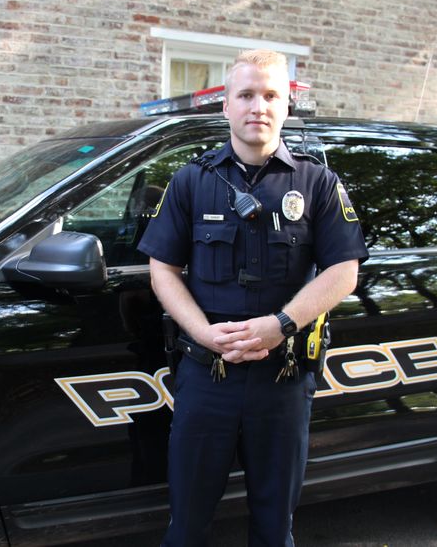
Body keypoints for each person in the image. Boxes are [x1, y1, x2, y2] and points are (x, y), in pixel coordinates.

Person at [137, 49, 369, 546]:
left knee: (273, 525)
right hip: (206, 377)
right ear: (226, 106)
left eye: (270, 95)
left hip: (281, 381)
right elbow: (162, 270)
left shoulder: (317, 182)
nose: (257, 106)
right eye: (245, 95)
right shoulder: (191, 181)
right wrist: (201, 332)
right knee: (187, 525)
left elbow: (343, 271)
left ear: (287, 106)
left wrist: (280, 324)